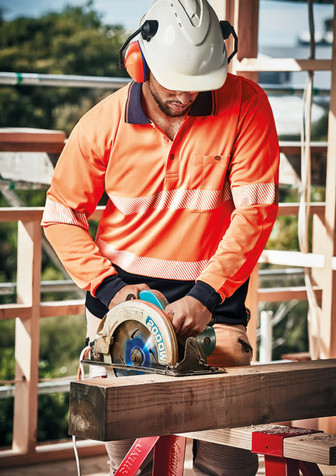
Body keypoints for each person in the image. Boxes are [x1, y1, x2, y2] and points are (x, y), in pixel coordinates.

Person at [42, 0, 279, 474]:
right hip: (123, 308)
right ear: (141, 60)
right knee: (135, 462)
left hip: (214, 300)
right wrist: (114, 292)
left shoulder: (247, 105)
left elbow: (255, 213)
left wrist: (206, 296)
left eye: (199, 84)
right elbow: (61, 217)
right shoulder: (100, 124)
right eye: (174, 82)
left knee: (226, 463)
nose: (185, 96)